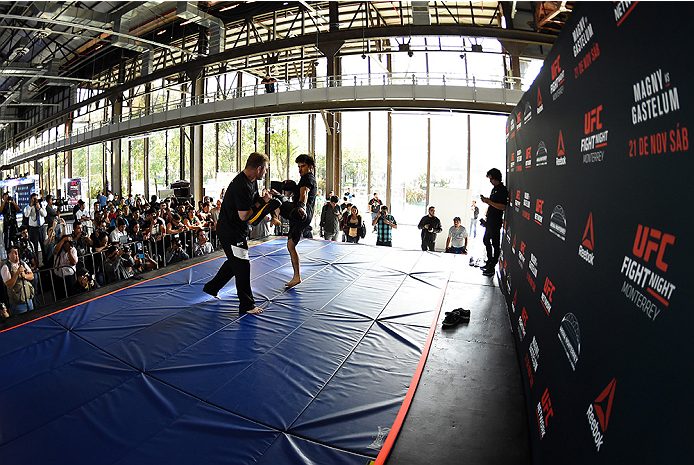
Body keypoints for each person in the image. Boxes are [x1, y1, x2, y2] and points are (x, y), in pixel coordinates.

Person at [203, 152, 280, 314]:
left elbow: (253, 203)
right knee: (243, 265)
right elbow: (244, 215)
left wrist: (264, 201)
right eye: (265, 169)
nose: (266, 173)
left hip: (238, 229)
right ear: (258, 169)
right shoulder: (241, 185)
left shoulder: (252, 182)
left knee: (233, 263)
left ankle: (211, 288)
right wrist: (264, 205)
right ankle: (247, 305)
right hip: (231, 232)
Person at [278, 154, 317, 287]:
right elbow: (299, 192)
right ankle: (297, 277)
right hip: (300, 216)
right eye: (299, 166)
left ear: (310, 167)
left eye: (303, 166)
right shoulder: (304, 179)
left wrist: (301, 207)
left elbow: (304, 193)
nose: (300, 169)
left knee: (276, 203)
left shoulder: (308, 178)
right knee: (291, 245)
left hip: (301, 212)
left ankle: (273, 218)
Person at [480, 168, 508, 276]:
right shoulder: (494, 189)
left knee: (495, 244)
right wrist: (487, 202)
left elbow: (503, 207)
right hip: (490, 220)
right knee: (486, 241)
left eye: (491, 178)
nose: (490, 180)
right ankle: (489, 262)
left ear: (496, 177)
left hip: (496, 221)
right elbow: (493, 204)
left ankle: (492, 266)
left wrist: (489, 201)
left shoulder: (502, 190)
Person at [2, 244, 35, 315]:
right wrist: (17, 274)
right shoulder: (6, 267)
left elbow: (32, 275)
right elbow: (9, 285)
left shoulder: (22, 263)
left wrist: (24, 275)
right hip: (17, 303)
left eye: (17, 252)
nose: (17, 254)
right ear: (9, 255)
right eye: (14, 252)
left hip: (29, 300)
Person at [25, 193, 47, 264]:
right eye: (34, 199)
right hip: (33, 229)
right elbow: (26, 215)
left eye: (36, 198)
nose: (36, 200)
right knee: (35, 247)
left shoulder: (41, 205)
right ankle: (36, 263)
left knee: (43, 245)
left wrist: (39, 208)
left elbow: (45, 214)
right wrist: (31, 205)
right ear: (31, 199)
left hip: (41, 227)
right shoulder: (29, 207)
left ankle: (45, 261)